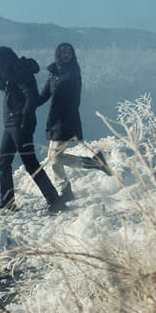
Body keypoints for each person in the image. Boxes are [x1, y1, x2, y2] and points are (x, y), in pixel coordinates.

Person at [0, 46, 66, 213]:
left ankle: (54, 200)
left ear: (4, 60)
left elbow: (31, 97)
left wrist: (24, 120)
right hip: (11, 124)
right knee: (3, 162)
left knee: (30, 163)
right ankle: (8, 203)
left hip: (18, 124)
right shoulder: (14, 72)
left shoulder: (20, 72)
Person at [38, 42, 111, 202]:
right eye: (64, 52)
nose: (67, 55)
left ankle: (95, 164)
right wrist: (27, 103)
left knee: (55, 158)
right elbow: (43, 96)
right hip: (55, 121)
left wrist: (66, 120)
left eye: (69, 52)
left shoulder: (73, 74)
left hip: (66, 121)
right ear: (58, 54)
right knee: (53, 159)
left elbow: (74, 100)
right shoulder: (53, 74)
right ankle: (65, 190)